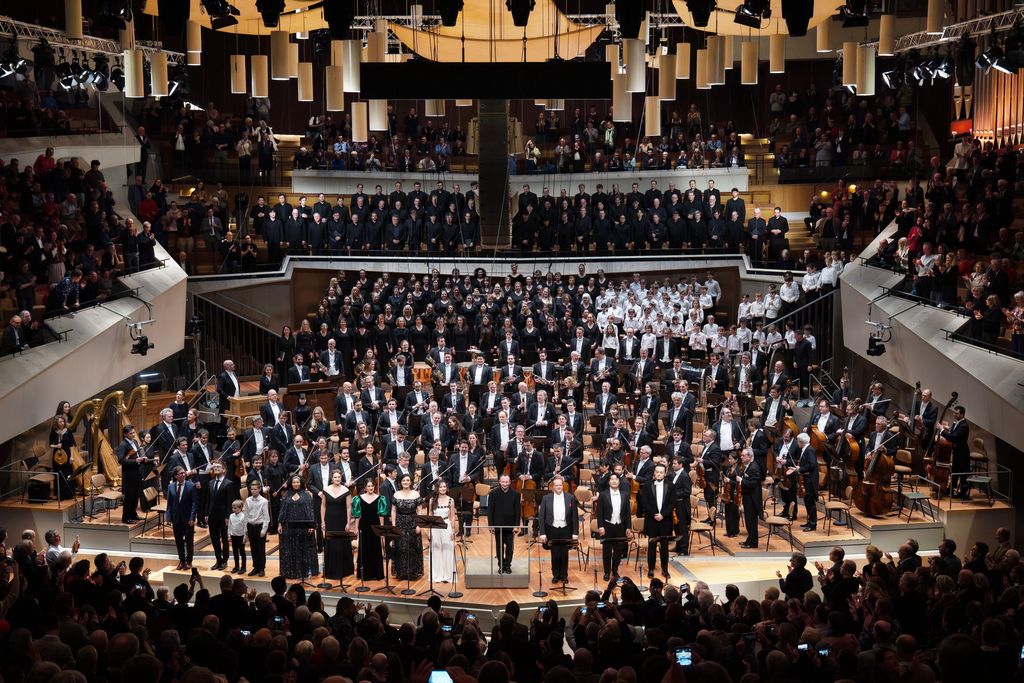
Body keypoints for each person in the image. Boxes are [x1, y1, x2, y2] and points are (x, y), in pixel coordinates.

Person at [538, 476, 578, 584]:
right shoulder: (546, 498)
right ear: (553, 487)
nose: (559, 487)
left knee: (564, 553)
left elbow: (575, 517)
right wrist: (542, 533)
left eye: (560, 485)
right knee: (554, 553)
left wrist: (575, 533)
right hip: (552, 529)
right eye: (556, 485)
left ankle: (564, 576)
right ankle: (556, 575)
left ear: (563, 486)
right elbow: (541, 517)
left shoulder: (570, 497)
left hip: (566, 529)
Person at [277, 475, 319, 579]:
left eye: (297, 482)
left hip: (303, 527)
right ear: (291, 483)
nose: (296, 484)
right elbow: (282, 511)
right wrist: (280, 524)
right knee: (290, 549)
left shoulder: (307, 495)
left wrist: (311, 526)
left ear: (301, 483)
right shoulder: (286, 495)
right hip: (289, 527)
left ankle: (303, 572)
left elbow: (310, 511)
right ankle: (291, 572)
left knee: (302, 549)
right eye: (294, 482)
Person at [596, 472, 632, 580]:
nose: (614, 481)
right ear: (609, 482)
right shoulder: (603, 495)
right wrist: (601, 526)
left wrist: (628, 527)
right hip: (607, 525)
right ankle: (607, 572)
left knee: (618, 551)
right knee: (606, 551)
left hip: (620, 525)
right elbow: (599, 513)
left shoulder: (625, 494)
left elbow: (628, 513)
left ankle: (615, 571)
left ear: (619, 481)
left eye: (616, 479)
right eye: (612, 479)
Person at [321, 469, 354, 582]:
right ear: (332, 478)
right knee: (330, 543)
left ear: (341, 478)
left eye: (339, 477)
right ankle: (330, 570)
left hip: (341, 520)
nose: (337, 479)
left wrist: (348, 522)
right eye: (335, 477)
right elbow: (323, 506)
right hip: (329, 520)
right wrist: (322, 521)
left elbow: (348, 508)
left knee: (341, 543)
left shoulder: (346, 490)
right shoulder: (326, 490)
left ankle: (344, 570)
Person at [642, 463, 674, 580]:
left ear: (665, 473)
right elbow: (645, 503)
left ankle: (665, 569)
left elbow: (672, 503)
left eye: (661, 472)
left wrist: (663, 515)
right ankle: (651, 569)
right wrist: (654, 514)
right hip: (652, 520)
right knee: (651, 546)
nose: (659, 474)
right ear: (654, 473)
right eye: (657, 472)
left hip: (665, 520)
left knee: (664, 547)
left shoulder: (671, 485)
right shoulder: (647, 485)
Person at [352, 478, 388, 581]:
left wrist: (381, 528)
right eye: (368, 486)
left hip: (375, 527)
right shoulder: (358, 499)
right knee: (364, 549)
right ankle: (365, 575)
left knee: (376, 548)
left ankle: (376, 574)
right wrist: (356, 528)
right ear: (365, 488)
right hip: (364, 527)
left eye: (372, 486)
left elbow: (381, 515)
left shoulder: (380, 498)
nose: (371, 488)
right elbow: (357, 516)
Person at [391, 473, 424, 581]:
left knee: (412, 548)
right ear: (400, 482)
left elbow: (419, 511)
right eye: (403, 480)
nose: (405, 482)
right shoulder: (396, 494)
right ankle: (401, 572)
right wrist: (393, 526)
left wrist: (419, 525)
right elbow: (393, 511)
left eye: (408, 480)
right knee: (400, 548)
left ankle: (412, 572)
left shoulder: (416, 494)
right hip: (400, 524)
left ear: (411, 482)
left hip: (413, 523)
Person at [488, 474, 521, 574]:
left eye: (506, 482)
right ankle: (501, 565)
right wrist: (491, 525)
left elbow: (518, 511)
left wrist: (516, 525)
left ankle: (508, 565)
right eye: (503, 482)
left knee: (510, 547)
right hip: (498, 525)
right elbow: (490, 511)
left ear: (510, 482)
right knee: (499, 547)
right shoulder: (493, 493)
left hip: (510, 526)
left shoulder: (515, 494)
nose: (505, 484)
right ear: (499, 482)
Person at [166, 465, 198, 570]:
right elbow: (169, 504)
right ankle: (182, 560)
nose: (184, 474)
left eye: (184, 472)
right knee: (178, 541)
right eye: (181, 473)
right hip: (176, 518)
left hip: (188, 518)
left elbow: (194, 503)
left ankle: (189, 561)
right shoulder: (171, 487)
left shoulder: (191, 486)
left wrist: (192, 518)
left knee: (189, 541)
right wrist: (168, 518)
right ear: (176, 476)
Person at [205, 462, 234, 571]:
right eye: (215, 467)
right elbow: (208, 500)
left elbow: (229, 502)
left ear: (224, 470)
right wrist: (206, 513)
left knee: (224, 540)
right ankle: (218, 560)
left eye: (218, 467)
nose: (216, 468)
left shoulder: (229, 483)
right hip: (212, 516)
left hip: (223, 516)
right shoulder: (210, 482)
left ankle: (225, 560)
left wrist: (228, 516)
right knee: (214, 539)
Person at [428, 479, 457, 583]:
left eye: (444, 486)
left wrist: (453, 530)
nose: (443, 488)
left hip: (446, 526)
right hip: (435, 526)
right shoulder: (432, 500)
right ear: (437, 488)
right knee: (436, 550)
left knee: (447, 550)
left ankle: (447, 575)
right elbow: (430, 515)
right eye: (441, 487)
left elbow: (452, 516)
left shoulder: (451, 500)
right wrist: (429, 531)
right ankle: (437, 575)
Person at [116, 425, 144, 524]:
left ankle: (133, 514)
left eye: (133, 432)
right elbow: (121, 460)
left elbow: (137, 455)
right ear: (125, 434)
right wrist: (135, 461)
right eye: (130, 433)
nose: (133, 434)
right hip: (129, 474)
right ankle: (126, 518)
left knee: (136, 495)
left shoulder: (135, 442)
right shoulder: (123, 445)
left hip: (137, 472)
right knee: (129, 497)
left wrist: (142, 458)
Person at [243, 478, 270, 577]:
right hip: (251, 526)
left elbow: (266, 517)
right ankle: (256, 567)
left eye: (255, 489)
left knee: (260, 549)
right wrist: (245, 529)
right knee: (253, 548)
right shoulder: (248, 500)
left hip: (259, 526)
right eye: (252, 489)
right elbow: (246, 515)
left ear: (259, 489)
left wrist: (264, 530)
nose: (253, 491)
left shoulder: (264, 501)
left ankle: (262, 568)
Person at [737, 448, 763, 548]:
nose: (741, 457)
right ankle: (749, 540)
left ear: (749, 457)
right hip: (748, 497)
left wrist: (741, 480)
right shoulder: (748, 466)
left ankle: (753, 543)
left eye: (743, 455)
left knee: (751, 521)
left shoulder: (754, 467)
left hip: (752, 499)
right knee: (748, 520)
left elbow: (753, 484)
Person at [793, 433, 818, 531]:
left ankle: (812, 524)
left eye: (798, 441)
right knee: (807, 502)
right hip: (806, 479)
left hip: (810, 480)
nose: (797, 443)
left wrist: (800, 469)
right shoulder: (805, 449)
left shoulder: (809, 450)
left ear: (801, 442)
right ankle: (810, 522)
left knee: (810, 502)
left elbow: (812, 464)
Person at [48, 416, 76, 499]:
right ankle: (60, 494)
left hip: (67, 454)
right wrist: (56, 446)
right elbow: (50, 445)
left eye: (63, 421)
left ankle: (69, 493)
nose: (62, 423)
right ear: (56, 423)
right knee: (59, 474)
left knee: (68, 473)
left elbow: (71, 446)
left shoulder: (68, 431)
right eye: (60, 422)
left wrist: (72, 457)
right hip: (57, 455)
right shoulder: (53, 432)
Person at [228, 499, 247, 575]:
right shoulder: (231, 516)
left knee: (242, 552)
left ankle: (243, 567)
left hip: (241, 536)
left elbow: (245, 527)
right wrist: (229, 535)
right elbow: (230, 526)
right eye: (233, 508)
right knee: (235, 552)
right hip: (234, 536)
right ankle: (236, 566)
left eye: (235, 508)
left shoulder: (243, 516)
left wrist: (245, 536)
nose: (233, 509)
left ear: (240, 508)